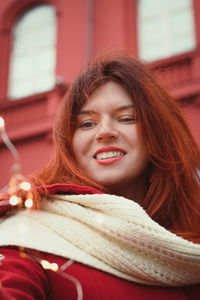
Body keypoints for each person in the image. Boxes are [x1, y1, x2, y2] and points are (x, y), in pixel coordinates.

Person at [0, 51, 200, 300]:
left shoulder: (190, 240)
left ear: (157, 134)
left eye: (126, 118)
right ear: (69, 143)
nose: (105, 132)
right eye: (86, 124)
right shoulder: (28, 233)